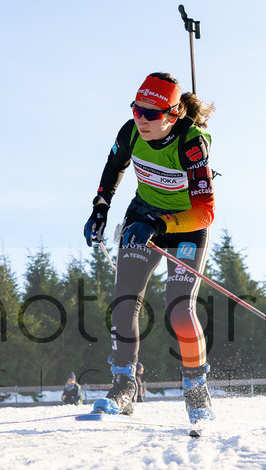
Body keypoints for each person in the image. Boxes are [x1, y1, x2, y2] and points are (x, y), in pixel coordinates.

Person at [84, 72, 216, 424]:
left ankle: (195, 388)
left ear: (172, 115)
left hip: (184, 226)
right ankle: (124, 386)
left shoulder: (191, 143)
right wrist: (99, 211)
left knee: (179, 309)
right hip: (142, 215)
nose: (141, 119)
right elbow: (113, 167)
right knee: (125, 300)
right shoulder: (130, 131)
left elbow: (205, 212)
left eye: (151, 114)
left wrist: (159, 226)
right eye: (136, 110)